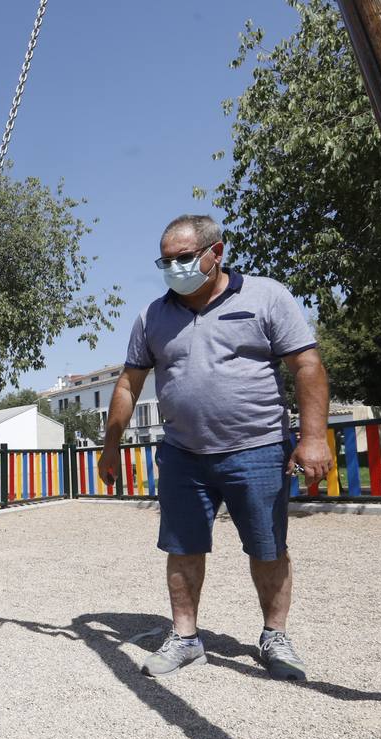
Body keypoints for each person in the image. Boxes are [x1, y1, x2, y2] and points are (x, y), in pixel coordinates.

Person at [99, 214, 331, 681]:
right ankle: (185, 639)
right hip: (184, 453)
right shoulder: (153, 316)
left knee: (268, 548)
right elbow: (128, 384)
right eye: (166, 260)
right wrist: (109, 448)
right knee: (182, 548)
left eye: (184, 258)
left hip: (258, 447)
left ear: (216, 252)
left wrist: (312, 437)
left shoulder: (266, 295)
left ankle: (274, 637)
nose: (174, 267)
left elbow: (307, 366)